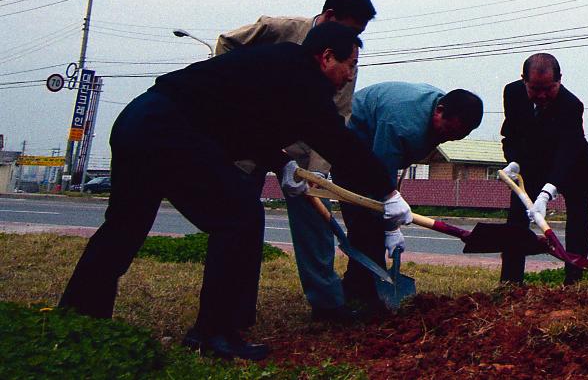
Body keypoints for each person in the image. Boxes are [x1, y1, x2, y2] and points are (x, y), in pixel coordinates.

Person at [58, 23, 412, 361]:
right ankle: (215, 332)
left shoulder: (282, 65)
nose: (351, 75)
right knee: (239, 218)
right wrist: (386, 193)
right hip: (169, 128)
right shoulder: (304, 79)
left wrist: (281, 163)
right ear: (327, 57)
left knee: (124, 225)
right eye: (350, 65)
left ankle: (78, 315)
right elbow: (338, 143)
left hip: (140, 120)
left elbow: (247, 121)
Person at [214, 0, 375, 323]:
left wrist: (319, 172)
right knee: (241, 217)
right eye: (350, 30)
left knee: (316, 215)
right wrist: (236, 101)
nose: (353, 41)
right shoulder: (280, 30)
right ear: (329, 17)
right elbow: (228, 42)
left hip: (305, 142)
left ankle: (328, 304)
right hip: (252, 134)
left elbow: (340, 114)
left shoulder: (348, 59)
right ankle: (233, 311)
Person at [335, 81, 483, 308]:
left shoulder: (444, 111)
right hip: (349, 140)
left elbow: (394, 166)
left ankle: (361, 287)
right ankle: (361, 292)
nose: (449, 138)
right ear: (439, 111)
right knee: (366, 222)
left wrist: (391, 203)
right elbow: (381, 169)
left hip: (377, 148)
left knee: (373, 224)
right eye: (448, 131)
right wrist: (391, 226)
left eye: (457, 135)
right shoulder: (403, 122)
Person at [499, 53, 588, 285]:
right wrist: (513, 160)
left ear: (559, 80)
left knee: (578, 221)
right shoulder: (512, 94)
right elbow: (510, 134)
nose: (542, 95)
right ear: (524, 81)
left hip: (574, 167)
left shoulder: (572, 106)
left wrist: (547, 192)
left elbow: (568, 151)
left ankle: (574, 281)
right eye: (535, 89)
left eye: (549, 89)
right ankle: (511, 283)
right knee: (516, 220)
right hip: (531, 164)